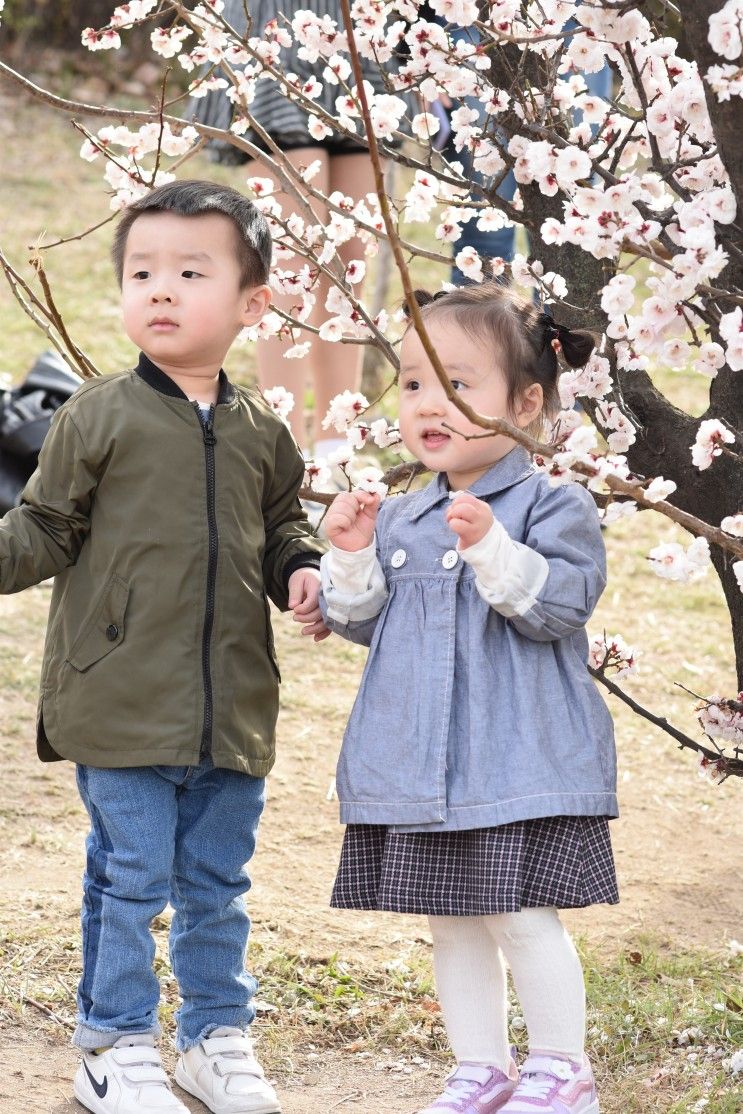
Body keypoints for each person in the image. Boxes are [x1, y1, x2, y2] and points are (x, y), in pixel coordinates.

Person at [0, 179, 327, 1114]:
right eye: (143, 271)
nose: (162, 289)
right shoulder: (96, 416)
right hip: (118, 702)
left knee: (217, 885)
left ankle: (215, 1037)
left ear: (251, 304)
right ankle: (114, 1043)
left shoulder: (263, 431)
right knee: (131, 877)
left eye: (191, 271)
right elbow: (43, 529)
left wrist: (300, 569)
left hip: (231, 708)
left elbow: (280, 528)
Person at [319, 283, 617, 1114]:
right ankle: (479, 1068)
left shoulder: (553, 504)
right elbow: (359, 623)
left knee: (519, 914)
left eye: (456, 384)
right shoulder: (403, 515)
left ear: (525, 402)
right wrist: (347, 555)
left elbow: (557, 606)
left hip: (514, 759)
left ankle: (561, 1069)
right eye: (413, 383)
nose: (429, 403)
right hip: (423, 764)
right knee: (449, 920)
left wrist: (491, 547)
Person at [193, 0, 386, 458]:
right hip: (273, 23)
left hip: (355, 26)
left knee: (351, 258)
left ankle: (338, 446)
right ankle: (286, 451)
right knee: (292, 260)